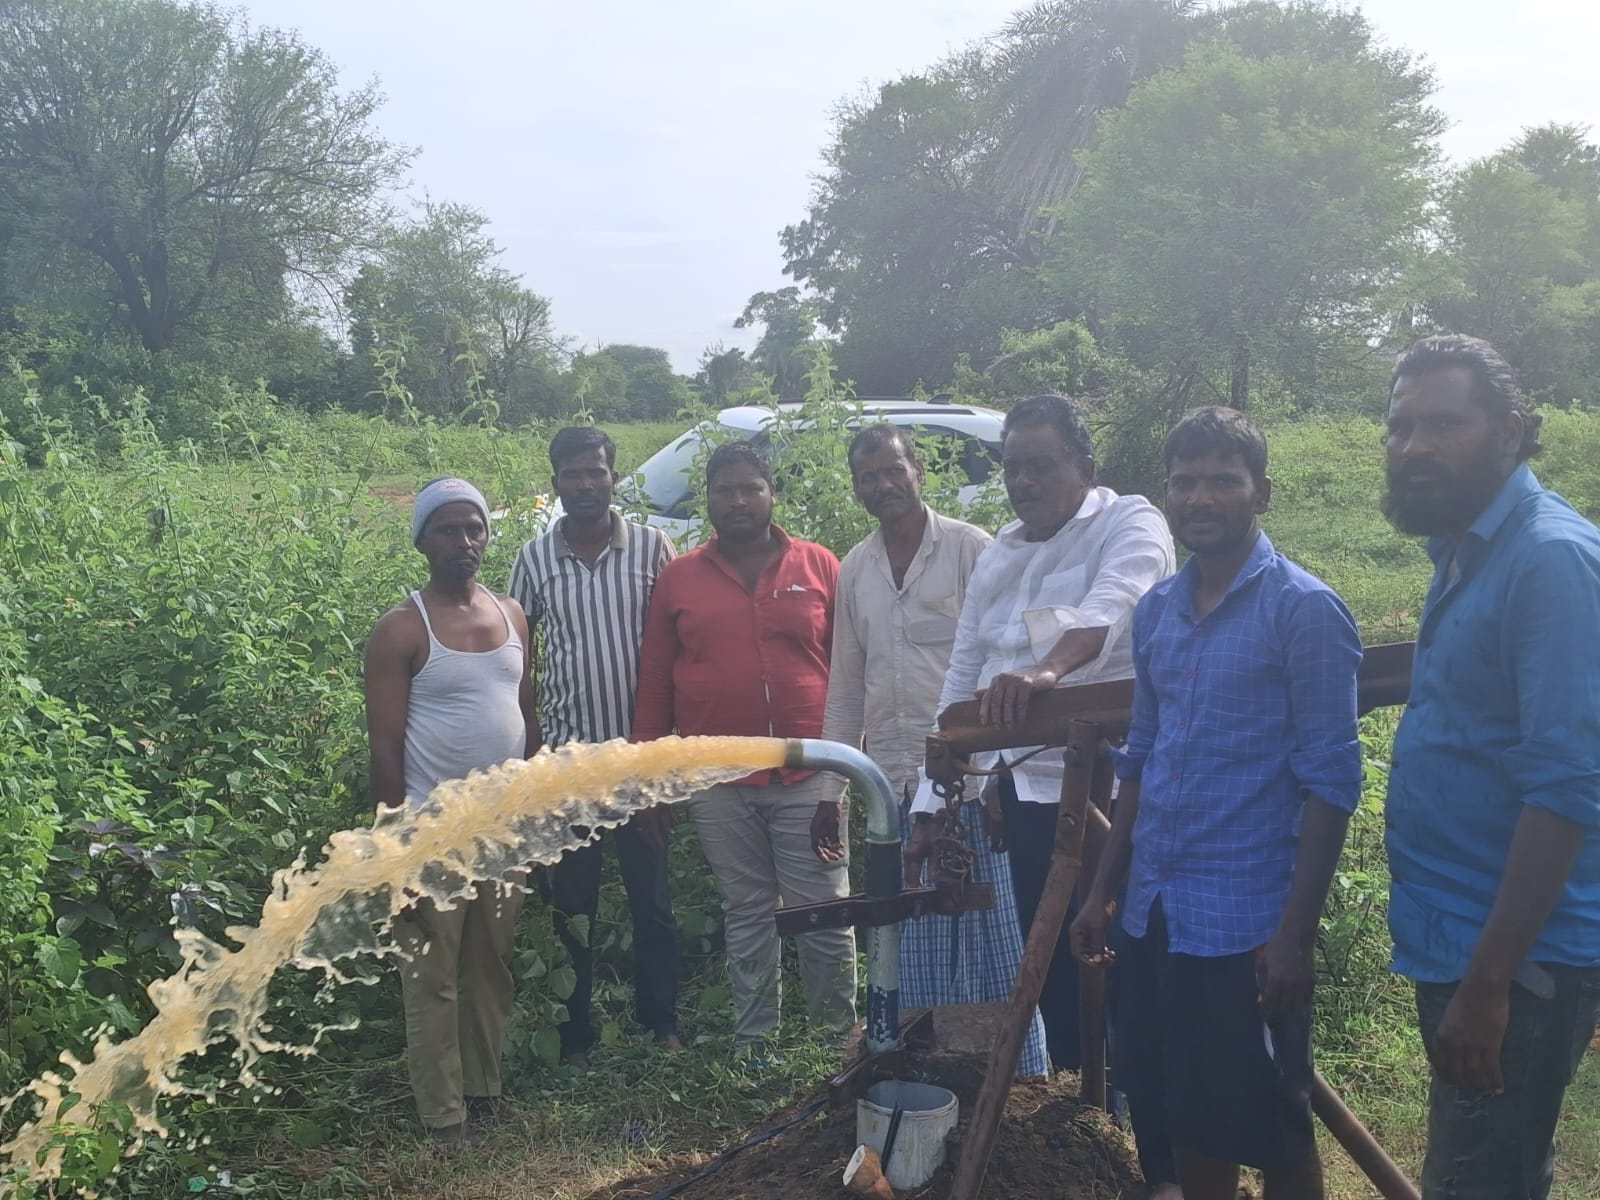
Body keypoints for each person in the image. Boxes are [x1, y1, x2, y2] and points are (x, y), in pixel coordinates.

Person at [1071, 407, 1362, 1200]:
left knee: (1274, 1124)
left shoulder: (1303, 609)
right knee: (1178, 1113)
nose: (1201, 497)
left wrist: (1294, 934)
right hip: (1158, 911)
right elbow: (1143, 760)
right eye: (1185, 482)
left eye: (1222, 481)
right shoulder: (1158, 610)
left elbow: (1332, 782)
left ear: (1260, 493)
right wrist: (1103, 889)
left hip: (1247, 926)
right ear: (1167, 496)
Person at [907, 393, 1178, 1191]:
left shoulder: (1129, 522)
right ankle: (1084, 1146)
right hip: (1028, 798)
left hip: (1123, 797)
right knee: (1058, 968)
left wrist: (1047, 672)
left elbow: (1114, 607)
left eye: (1042, 464)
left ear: (1084, 469)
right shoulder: (1001, 555)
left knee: (1133, 976)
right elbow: (963, 675)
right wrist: (929, 805)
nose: (1025, 481)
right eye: (1012, 467)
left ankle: (1154, 1158)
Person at [1380, 335, 1600, 1200]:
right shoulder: (1469, 548)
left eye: (1444, 423)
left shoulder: (1550, 559)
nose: (1414, 446)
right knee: (1496, 1174)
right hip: (1460, 934)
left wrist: (1489, 982)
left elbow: (1570, 785)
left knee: (1477, 1184)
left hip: (1515, 956)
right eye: (1400, 426)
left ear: (1511, 431)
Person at [818, 424, 1050, 1078]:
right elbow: (846, 688)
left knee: (996, 944)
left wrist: (1002, 776)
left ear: (919, 471)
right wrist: (829, 794)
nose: (884, 485)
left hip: (974, 789)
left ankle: (1018, 1084)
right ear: (858, 486)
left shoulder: (971, 551)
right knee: (911, 944)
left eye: (894, 470)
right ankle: (928, 1082)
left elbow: (1011, 664)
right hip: (896, 798)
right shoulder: (855, 569)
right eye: (869, 476)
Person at [633, 440, 856, 1054]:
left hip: (813, 772)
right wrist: (649, 783)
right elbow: (655, 683)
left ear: (771, 493)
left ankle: (835, 1041)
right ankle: (757, 1043)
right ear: (707, 499)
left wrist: (844, 772)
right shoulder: (679, 579)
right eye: (724, 489)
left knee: (825, 907)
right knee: (748, 908)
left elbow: (850, 669)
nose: (737, 500)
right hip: (718, 777)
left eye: (749, 488)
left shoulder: (819, 565)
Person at [364, 477, 541, 1143]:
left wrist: (540, 811)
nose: (464, 541)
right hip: (432, 833)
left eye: (474, 528)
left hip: (506, 832)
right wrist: (394, 851)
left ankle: (484, 1090)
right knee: (433, 976)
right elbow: (384, 750)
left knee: (490, 967)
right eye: (448, 529)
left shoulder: (512, 614)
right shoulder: (402, 630)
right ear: (422, 541)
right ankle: (443, 1115)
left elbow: (526, 717)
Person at [507, 427, 683, 1071]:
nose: (586, 485)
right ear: (555, 482)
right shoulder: (533, 559)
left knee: (652, 903)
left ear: (615, 478)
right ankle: (575, 1033)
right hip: (568, 766)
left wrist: (668, 756)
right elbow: (516, 664)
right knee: (572, 907)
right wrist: (530, 758)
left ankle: (660, 1020)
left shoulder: (653, 549)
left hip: (641, 765)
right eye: (573, 474)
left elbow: (677, 649)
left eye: (597, 472)